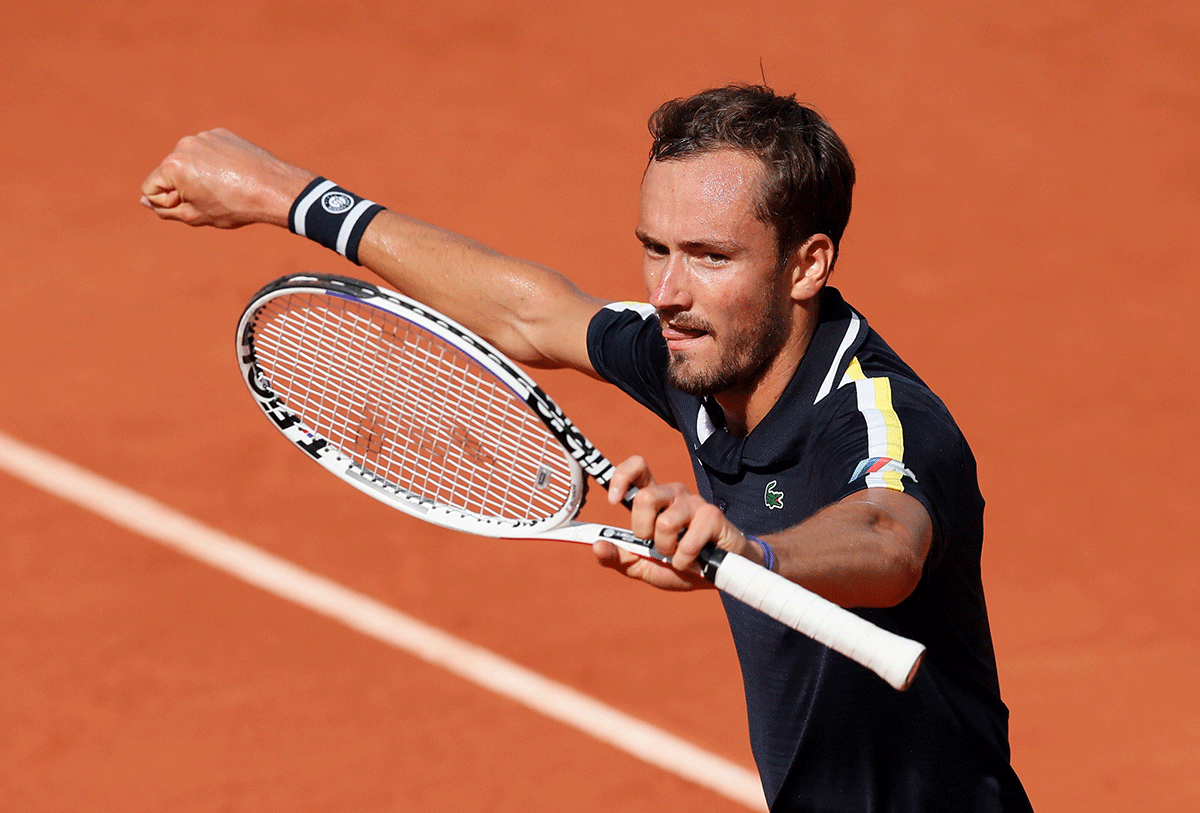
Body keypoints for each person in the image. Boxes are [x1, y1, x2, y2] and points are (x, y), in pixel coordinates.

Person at [141, 84, 1033, 812]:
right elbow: (534, 313)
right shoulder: (703, 350)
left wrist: (752, 551)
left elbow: (889, 538)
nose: (670, 292)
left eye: (712, 257)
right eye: (654, 250)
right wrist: (290, 197)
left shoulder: (879, 415)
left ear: (807, 265)